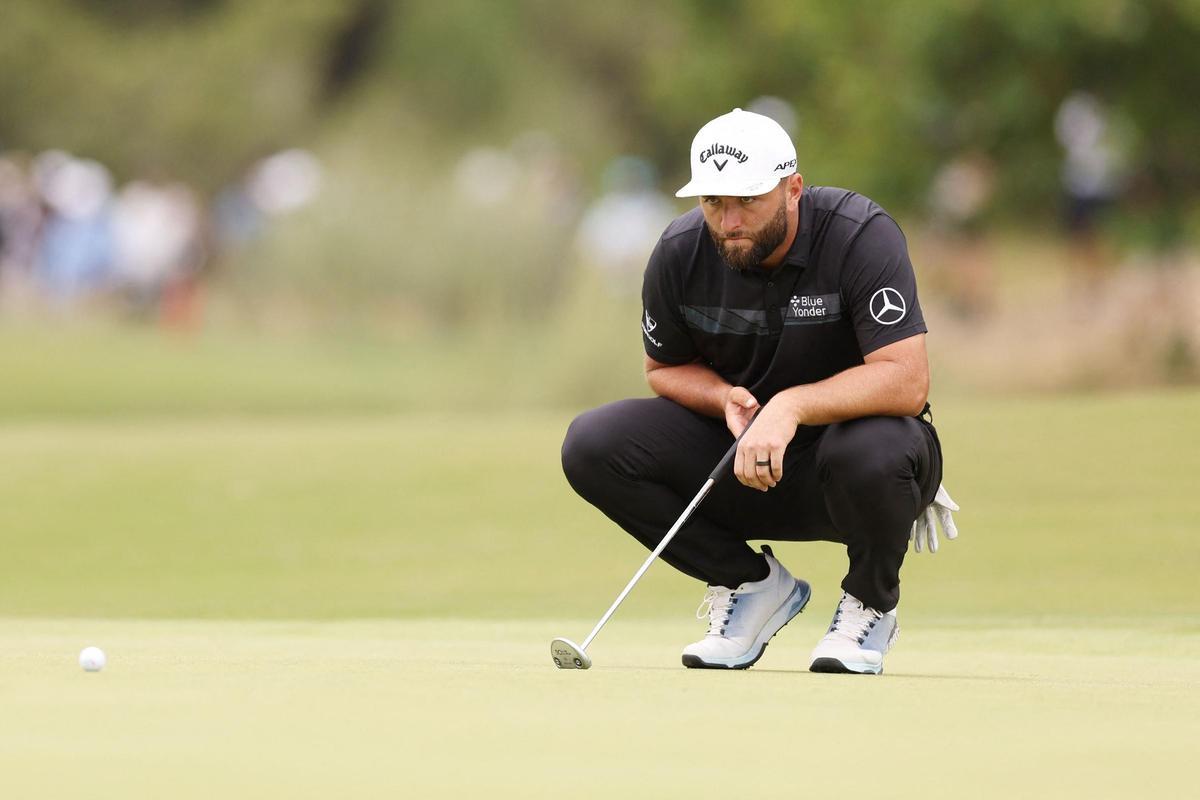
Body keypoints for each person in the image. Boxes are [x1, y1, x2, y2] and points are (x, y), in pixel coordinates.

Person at [561, 108, 959, 674]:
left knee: (878, 450)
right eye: (714, 202)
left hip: (847, 467)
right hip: (739, 462)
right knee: (593, 443)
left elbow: (906, 376)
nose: (729, 222)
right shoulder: (679, 252)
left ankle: (868, 606)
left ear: (792, 188)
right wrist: (722, 397)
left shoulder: (858, 235)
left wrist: (790, 406)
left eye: (748, 200)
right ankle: (749, 587)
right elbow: (664, 369)